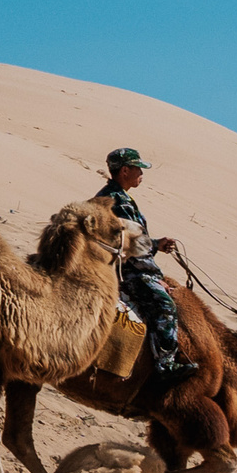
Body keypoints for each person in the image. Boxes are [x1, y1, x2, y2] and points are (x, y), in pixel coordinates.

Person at [97, 148, 195, 398]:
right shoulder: (116, 201)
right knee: (165, 306)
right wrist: (154, 274)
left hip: (124, 265)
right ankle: (165, 365)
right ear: (125, 170)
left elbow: (133, 240)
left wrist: (156, 245)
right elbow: (130, 245)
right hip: (127, 271)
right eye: (137, 168)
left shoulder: (116, 197)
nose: (142, 173)